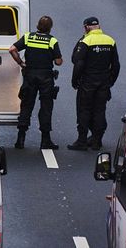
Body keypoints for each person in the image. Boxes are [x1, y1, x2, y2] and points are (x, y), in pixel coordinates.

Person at [9, 16, 63, 150]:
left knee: (26, 105)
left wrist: (21, 63)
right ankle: (45, 140)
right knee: (46, 107)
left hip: (30, 75)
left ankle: (20, 139)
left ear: (37, 25)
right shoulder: (52, 41)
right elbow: (58, 62)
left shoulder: (28, 37)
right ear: (50, 27)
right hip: (46, 77)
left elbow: (12, 49)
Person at [68, 17, 120, 151]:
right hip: (103, 83)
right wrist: (110, 82)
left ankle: (82, 141)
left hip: (87, 82)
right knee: (99, 110)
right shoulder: (110, 40)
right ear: (99, 26)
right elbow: (116, 65)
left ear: (86, 27)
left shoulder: (86, 40)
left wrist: (75, 80)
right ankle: (97, 141)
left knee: (84, 110)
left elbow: (77, 61)